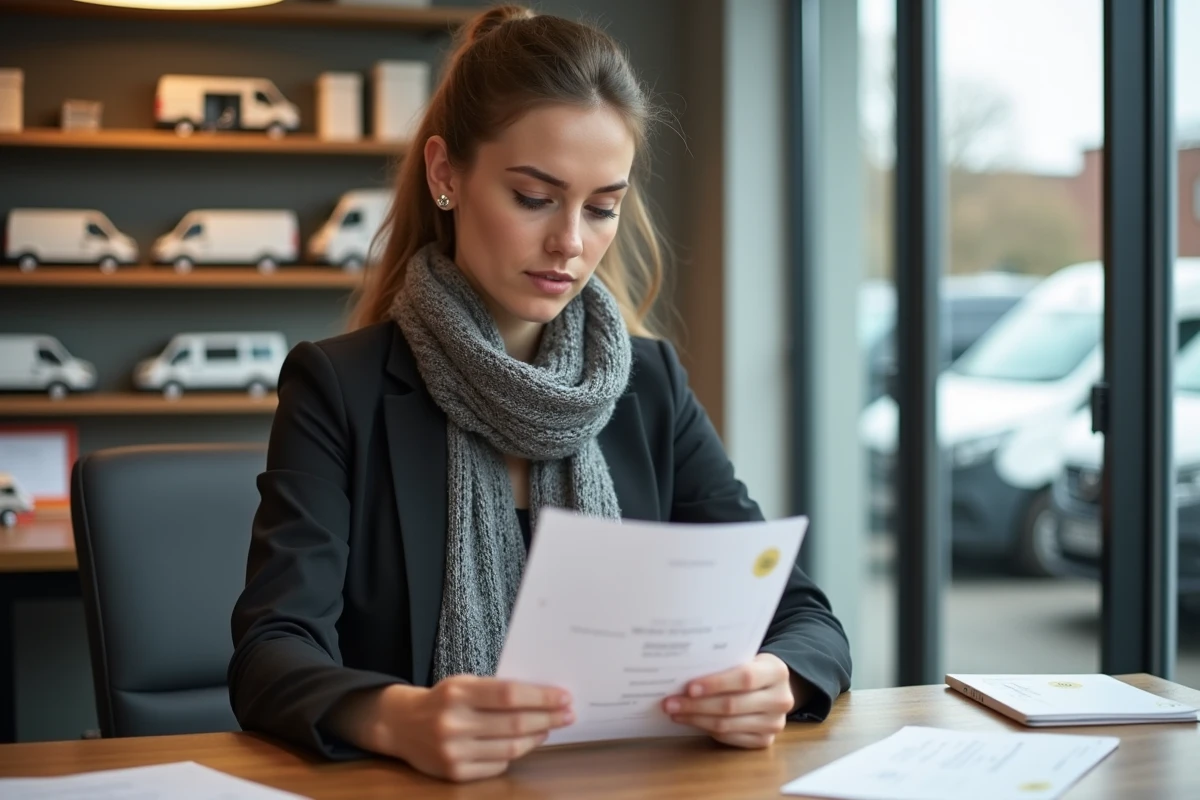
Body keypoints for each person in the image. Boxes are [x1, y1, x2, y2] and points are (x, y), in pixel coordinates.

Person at [228, 3, 852, 784]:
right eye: (534, 197)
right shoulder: (338, 387)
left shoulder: (649, 387)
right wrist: (398, 715)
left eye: (602, 208)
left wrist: (778, 680)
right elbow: (270, 652)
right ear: (445, 174)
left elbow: (805, 618)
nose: (570, 242)